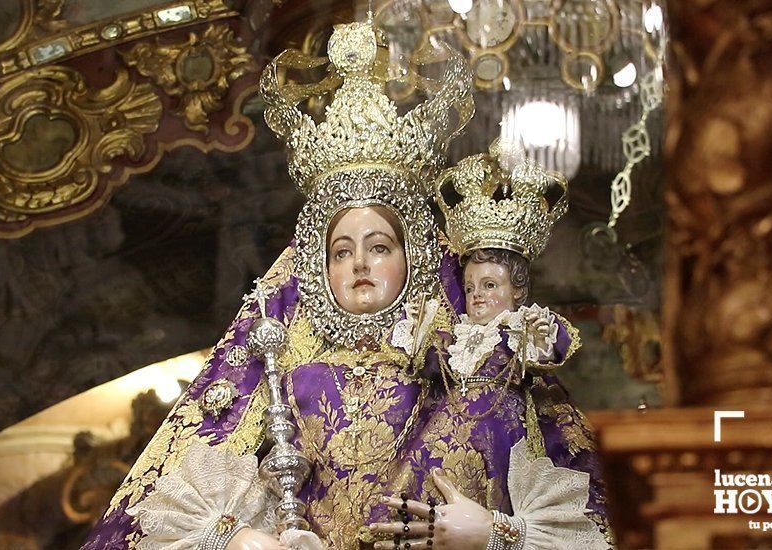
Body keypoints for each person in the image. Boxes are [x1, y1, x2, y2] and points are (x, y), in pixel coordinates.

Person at [83, 17, 611, 550]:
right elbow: (166, 513)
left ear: (415, 255)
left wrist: (496, 533)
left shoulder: (478, 365)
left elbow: (581, 525)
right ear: (317, 266)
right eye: (342, 251)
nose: (359, 264)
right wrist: (239, 537)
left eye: (379, 247)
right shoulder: (283, 372)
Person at [372, 143, 611, 549]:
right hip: (444, 437)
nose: (478, 296)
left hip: (508, 434)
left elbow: (552, 346)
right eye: (470, 288)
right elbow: (427, 366)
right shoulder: (458, 336)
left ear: (518, 291)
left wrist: (535, 335)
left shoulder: (519, 328)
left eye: (490, 285)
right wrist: (420, 330)